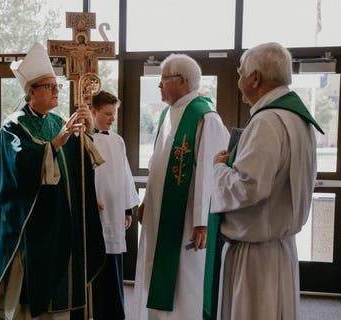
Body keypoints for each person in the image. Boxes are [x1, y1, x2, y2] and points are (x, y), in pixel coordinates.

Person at [203, 42, 324, 320]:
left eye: (240, 73)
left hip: (255, 255)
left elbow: (249, 186)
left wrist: (219, 169)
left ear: (255, 78)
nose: (239, 80)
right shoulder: (297, 118)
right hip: (278, 247)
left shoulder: (267, 121)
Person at [0, 43, 105, 319]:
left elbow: (75, 165)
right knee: (29, 298)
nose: (56, 91)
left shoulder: (56, 121)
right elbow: (18, 167)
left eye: (56, 86)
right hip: (31, 222)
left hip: (60, 220)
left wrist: (86, 134)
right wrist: (55, 144)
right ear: (31, 93)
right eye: (49, 86)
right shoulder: (13, 126)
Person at [131, 54, 229, 320]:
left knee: (186, 284)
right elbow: (157, 165)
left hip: (187, 221)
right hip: (160, 215)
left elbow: (210, 173)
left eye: (164, 80)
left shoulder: (206, 117)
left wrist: (201, 222)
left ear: (183, 81)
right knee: (158, 275)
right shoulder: (167, 113)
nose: (159, 85)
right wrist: (146, 202)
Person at [90, 90, 140, 320]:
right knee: (96, 263)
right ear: (93, 111)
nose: (112, 118)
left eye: (114, 114)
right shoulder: (83, 139)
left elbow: (126, 175)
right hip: (94, 210)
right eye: (107, 114)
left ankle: (114, 314)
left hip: (115, 209)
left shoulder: (117, 140)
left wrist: (127, 209)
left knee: (114, 266)